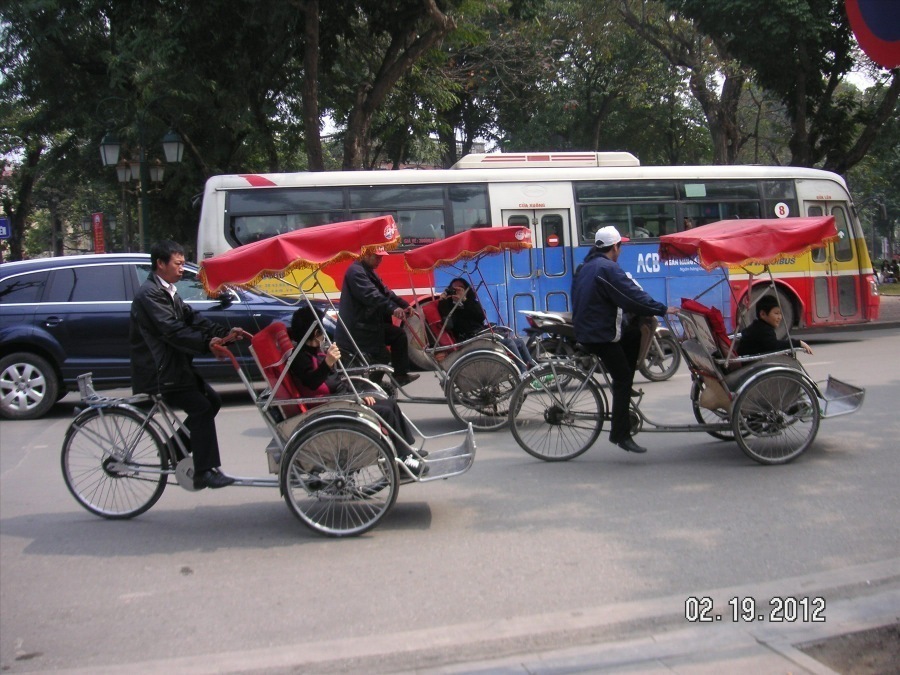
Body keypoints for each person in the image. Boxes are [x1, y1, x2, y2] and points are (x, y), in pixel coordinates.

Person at [130, 240, 249, 489]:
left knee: (212, 401)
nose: (182, 268)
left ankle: (172, 451)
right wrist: (207, 344)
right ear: (160, 264)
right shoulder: (149, 295)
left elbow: (192, 319)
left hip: (176, 366)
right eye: (178, 264)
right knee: (202, 408)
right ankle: (203, 471)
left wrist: (225, 332)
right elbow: (172, 330)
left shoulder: (168, 291)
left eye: (184, 264)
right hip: (160, 371)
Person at [572, 226, 678, 454]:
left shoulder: (586, 266)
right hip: (599, 334)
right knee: (621, 379)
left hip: (587, 329)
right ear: (615, 247)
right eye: (621, 246)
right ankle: (620, 434)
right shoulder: (606, 268)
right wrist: (661, 309)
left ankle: (628, 379)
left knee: (632, 335)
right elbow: (630, 294)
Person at [289, 306, 428, 477]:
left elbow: (336, 381)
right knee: (384, 412)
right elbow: (313, 382)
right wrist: (329, 364)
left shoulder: (314, 351)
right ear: (315, 331)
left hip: (341, 396)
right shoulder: (300, 357)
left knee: (389, 403)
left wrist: (357, 393)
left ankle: (405, 451)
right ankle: (402, 462)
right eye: (321, 330)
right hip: (332, 405)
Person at [335, 247, 419, 386]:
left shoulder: (368, 271)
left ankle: (400, 376)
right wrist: (393, 309)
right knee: (383, 356)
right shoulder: (355, 272)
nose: (381, 260)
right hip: (358, 329)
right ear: (366, 255)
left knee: (399, 335)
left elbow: (387, 293)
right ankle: (371, 387)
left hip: (371, 325)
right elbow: (372, 296)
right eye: (377, 257)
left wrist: (404, 305)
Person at [437, 277, 537, 374]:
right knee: (509, 342)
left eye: (460, 288)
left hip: (480, 333)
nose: (456, 291)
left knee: (519, 341)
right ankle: (523, 372)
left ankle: (534, 369)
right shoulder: (448, 305)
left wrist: (464, 301)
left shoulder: (470, 301)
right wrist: (443, 301)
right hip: (469, 337)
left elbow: (481, 316)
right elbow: (449, 324)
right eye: (453, 288)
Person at [737, 295, 813, 358]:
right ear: (763, 314)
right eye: (776, 313)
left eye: (780, 313)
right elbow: (775, 346)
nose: (779, 317)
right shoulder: (763, 330)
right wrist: (798, 343)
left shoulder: (758, 326)